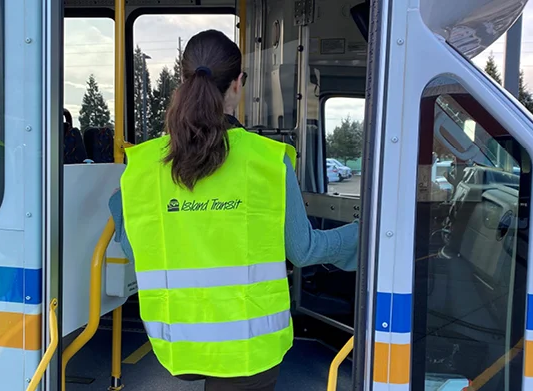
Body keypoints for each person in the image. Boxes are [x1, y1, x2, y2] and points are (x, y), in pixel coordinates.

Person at [109, 29, 359, 391]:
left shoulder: (144, 165)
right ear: (239, 83)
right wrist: (365, 234)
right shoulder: (268, 161)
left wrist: (127, 209)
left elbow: (133, 245)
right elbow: (304, 250)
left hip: (176, 340)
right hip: (248, 344)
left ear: (183, 79)